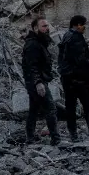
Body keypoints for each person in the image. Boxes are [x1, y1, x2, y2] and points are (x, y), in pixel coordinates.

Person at [17, 16, 60, 145]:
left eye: (47, 26)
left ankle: (30, 137)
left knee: (34, 109)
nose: (47, 28)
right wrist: (38, 83)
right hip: (36, 82)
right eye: (44, 26)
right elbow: (32, 66)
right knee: (50, 108)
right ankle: (56, 139)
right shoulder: (33, 44)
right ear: (36, 28)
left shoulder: (39, 41)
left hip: (37, 81)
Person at [58, 15, 89, 140]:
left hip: (67, 77)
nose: (85, 27)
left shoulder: (66, 36)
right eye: (84, 24)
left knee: (70, 106)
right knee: (88, 104)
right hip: (79, 77)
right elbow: (80, 58)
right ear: (77, 25)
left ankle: (73, 134)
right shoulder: (76, 37)